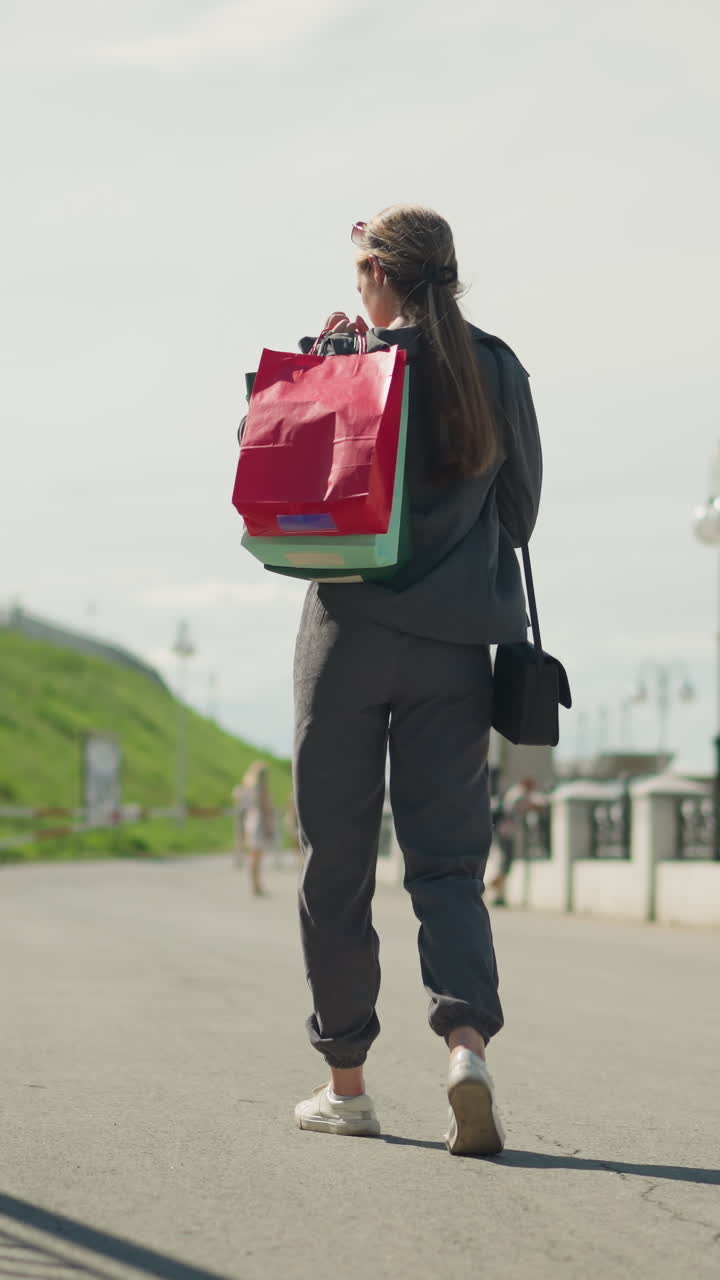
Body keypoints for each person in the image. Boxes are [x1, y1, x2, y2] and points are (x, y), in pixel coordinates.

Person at [271, 205, 542, 1155]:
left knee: (336, 866)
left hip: (345, 638)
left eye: (358, 271)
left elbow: (276, 470)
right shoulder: (498, 366)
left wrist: (324, 365)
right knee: (447, 864)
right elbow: (520, 513)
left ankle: (347, 1085)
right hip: (456, 649)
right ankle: (465, 1046)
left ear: (383, 273)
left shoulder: (351, 358)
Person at [490, 777, 544, 907]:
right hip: (506, 834)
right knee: (506, 864)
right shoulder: (518, 795)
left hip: (505, 833)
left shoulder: (514, 793)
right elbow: (530, 806)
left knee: (505, 865)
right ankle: (491, 886)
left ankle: (498, 893)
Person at [231, 762, 275, 896]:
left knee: (254, 856)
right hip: (260, 823)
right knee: (257, 856)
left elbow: (237, 796)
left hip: (250, 821)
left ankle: (255, 884)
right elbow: (265, 807)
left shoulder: (247, 787)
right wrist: (269, 826)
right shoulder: (261, 788)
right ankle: (256, 885)